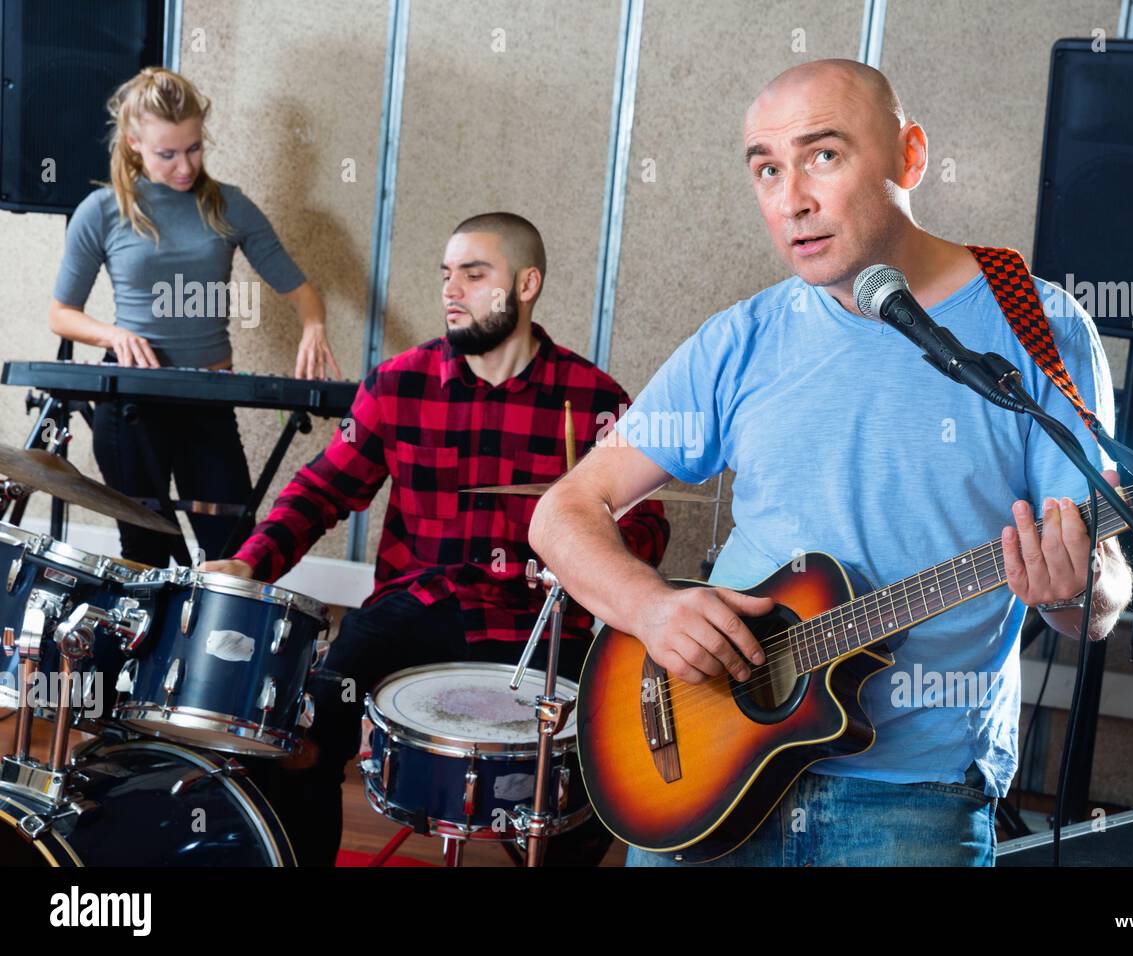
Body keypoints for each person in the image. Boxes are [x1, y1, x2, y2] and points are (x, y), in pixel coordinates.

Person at [529, 59, 1133, 867]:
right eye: (767, 170)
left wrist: (1080, 591)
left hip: (912, 797)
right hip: (703, 766)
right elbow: (563, 511)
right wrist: (651, 611)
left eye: (823, 156)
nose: (792, 200)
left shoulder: (1039, 328)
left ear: (909, 157)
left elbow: (1096, 592)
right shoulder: (741, 340)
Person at [202, 212, 669, 866]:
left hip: (540, 618)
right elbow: (322, 490)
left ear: (527, 283)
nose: (452, 290)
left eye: (474, 275)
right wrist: (253, 563)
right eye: (447, 275)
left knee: (582, 768)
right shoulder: (399, 384)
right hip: (416, 606)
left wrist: (600, 561)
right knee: (305, 716)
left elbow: (646, 519)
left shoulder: (591, 400)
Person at [48, 67, 340, 565]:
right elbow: (62, 314)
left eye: (194, 148)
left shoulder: (230, 206)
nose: (185, 166)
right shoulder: (102, 210)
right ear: (135, 143)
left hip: (208, 401)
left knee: (233, 548)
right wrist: (114, 335)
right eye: (168, 154)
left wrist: (313, 325)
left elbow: (302, 292)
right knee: (147, 550)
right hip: (133, 406)